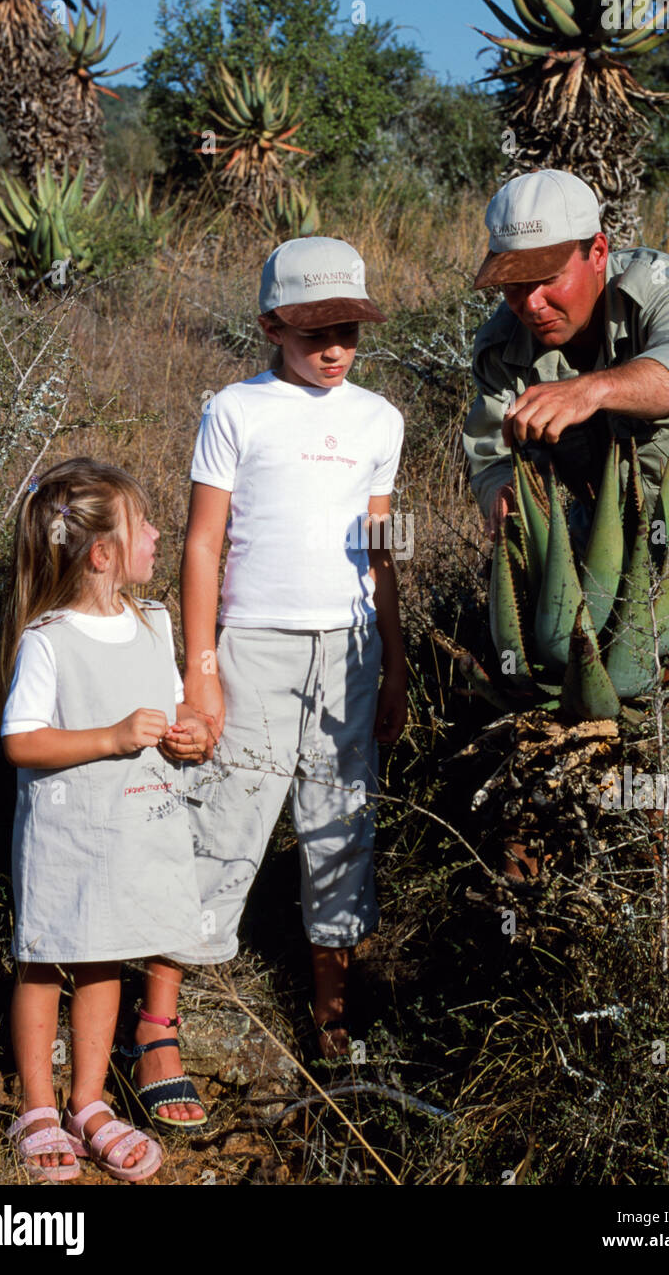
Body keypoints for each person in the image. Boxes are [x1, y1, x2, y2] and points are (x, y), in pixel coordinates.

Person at [181, 235, 407, 1059]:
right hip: (254, 648)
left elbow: (379, 550)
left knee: (341, 827)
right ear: (273, 324)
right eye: (314, 332)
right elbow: (203, 545)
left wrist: (396, 662)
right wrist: (201, 667)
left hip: (349, 655)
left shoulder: (380, 419)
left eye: (349, 328)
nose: (335, 348)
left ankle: (333, 1024)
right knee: (224, 822)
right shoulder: (234, 409)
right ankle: (166, 1026)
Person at [0, 458, 214, 1182]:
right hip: (64, 836)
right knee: (44, 960)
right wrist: (112, 737)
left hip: (134, 835)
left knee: (102, 957)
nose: (158, 533)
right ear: (102, 554)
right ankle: (37, 1105)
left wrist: (190, 732)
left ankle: (87, 1102)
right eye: (143, 524)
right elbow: (21, 741)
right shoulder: (50, 638)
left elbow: (175, 704)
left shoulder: (154, 621)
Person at [463, 169, 669, 638]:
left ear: (597, 252)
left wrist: (591, 391)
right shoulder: (501, 344)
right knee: (561, 661)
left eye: (548, 278)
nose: (531, 303)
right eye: (513, 284)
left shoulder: (661, 285)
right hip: (600, 529)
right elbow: (491, 454)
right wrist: (503, 496)